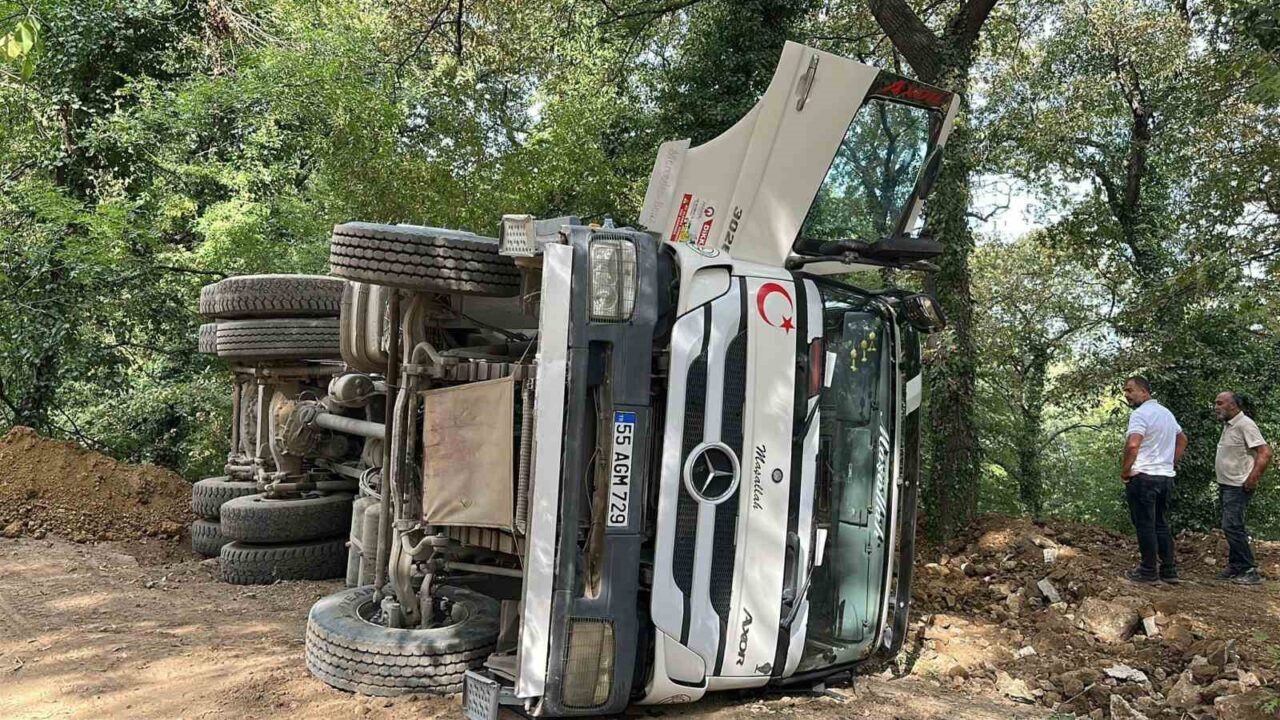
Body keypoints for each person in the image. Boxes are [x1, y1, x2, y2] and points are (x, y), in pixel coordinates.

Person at [1120, 376, 1187, 584]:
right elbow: (1182, 439)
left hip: (1144, 477)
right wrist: (1170, 463)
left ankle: (1148, 571)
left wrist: (1125, 471)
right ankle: (1169, 570)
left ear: (1144, 391)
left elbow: (1133, 444)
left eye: (1130, 390)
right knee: (1160, 523)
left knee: (1145, 524)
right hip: (1164, 477)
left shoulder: (1140, 414)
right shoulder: (1166, 413)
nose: (1127, 395)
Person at [1213, 391, 1271, 585]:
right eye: (1216, 403)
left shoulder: (1245, 424)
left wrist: (1253, 478)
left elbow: (1265, 452)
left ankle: (1249, 569)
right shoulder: (1229, 425)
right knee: (1231, 526)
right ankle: (1236, 566)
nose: (1216, 407)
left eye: (1220, 403)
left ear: (1233, 405)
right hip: (1227, 484)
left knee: (1232, 526)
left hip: (1238, 486)